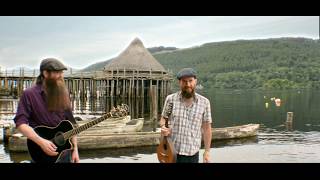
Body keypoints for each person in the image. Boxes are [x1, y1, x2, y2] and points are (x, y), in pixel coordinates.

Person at [13, 58, 79, 163]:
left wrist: (75, 149)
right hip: (41, 154)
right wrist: (41, 142)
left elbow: (71, 124)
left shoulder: (64, 93)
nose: (61, 76)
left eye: (61, 72)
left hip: (65, 153)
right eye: (57, 72)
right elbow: (21, 123)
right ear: (45, 73)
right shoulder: (29, 94)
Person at [159, 68, 212, 163]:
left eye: (190, 81)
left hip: (192, 154)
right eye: (184, 81)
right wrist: (163, 127)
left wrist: (207, 151)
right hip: (172, 152)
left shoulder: (205, 102)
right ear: (179, 82)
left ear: (195, 81)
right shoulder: (170, 99)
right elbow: (163, 118)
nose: (188, 85)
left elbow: (207, 128)